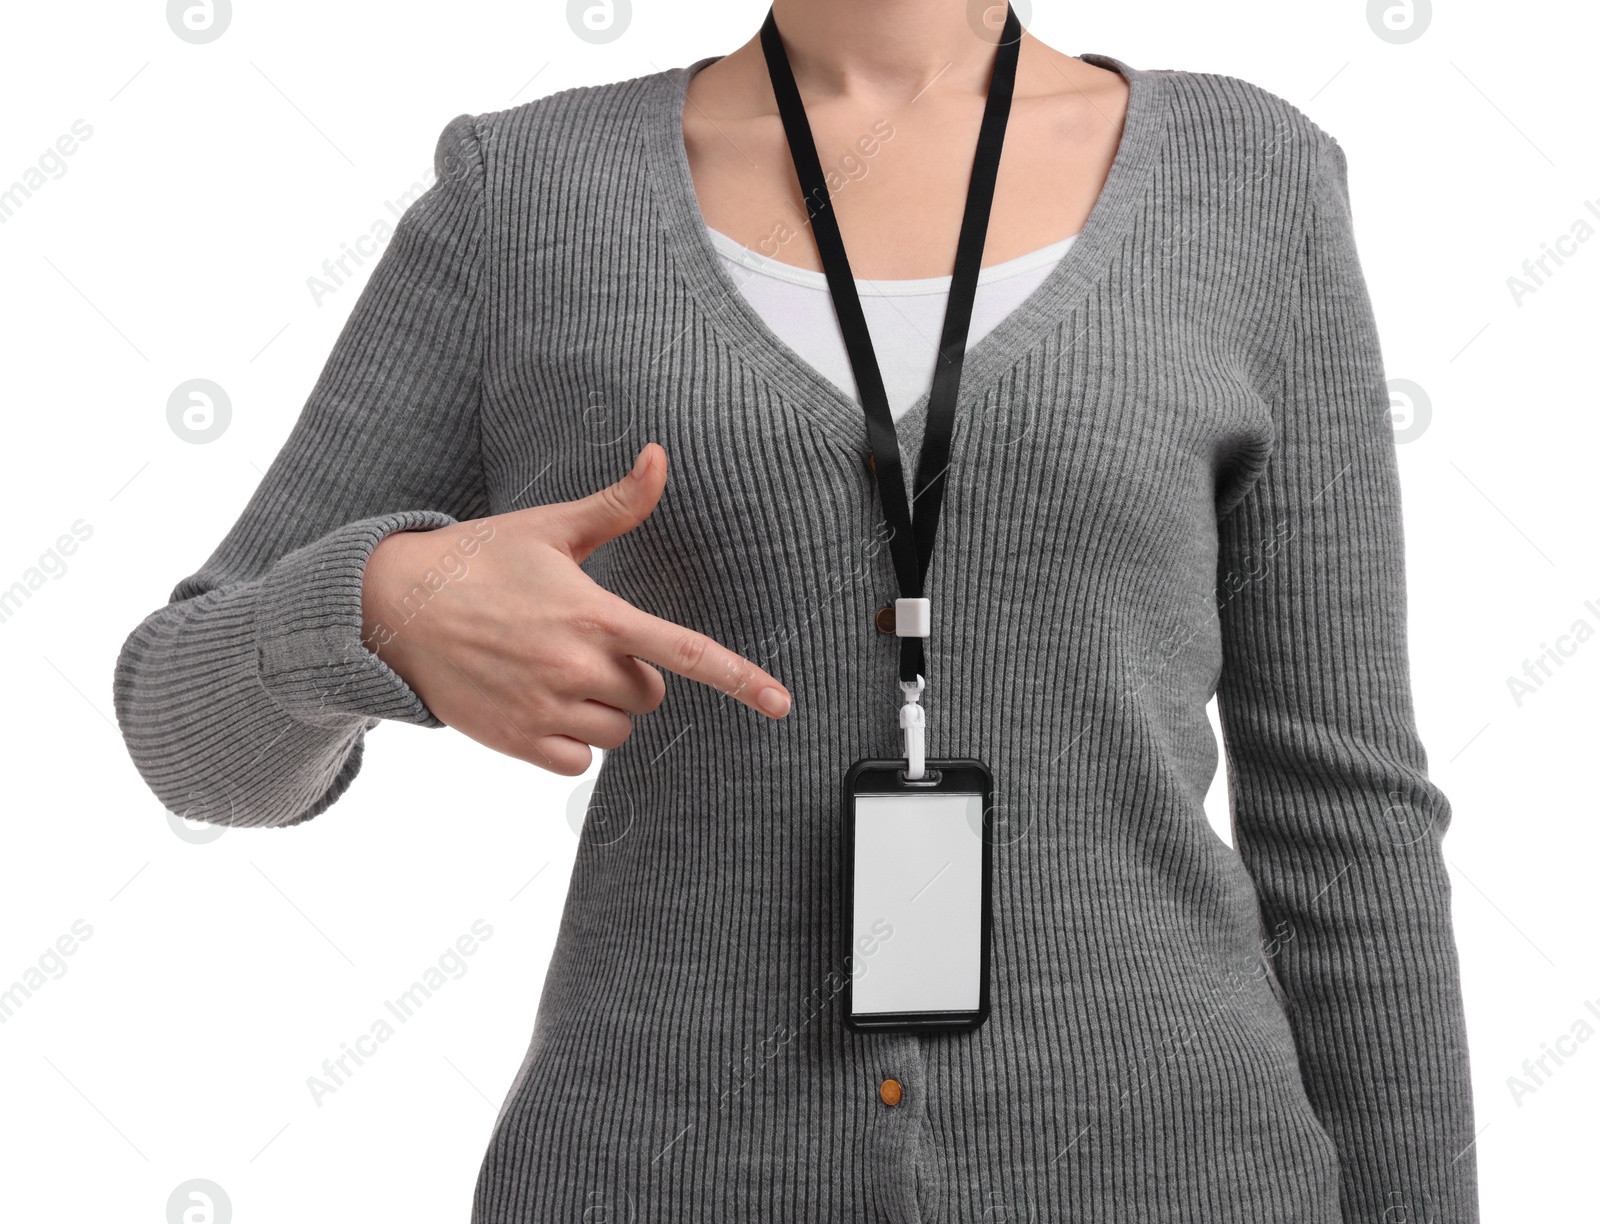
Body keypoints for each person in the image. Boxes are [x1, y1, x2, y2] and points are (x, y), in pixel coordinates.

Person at [112, 2, 1480, 1220]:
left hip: (1184, 1172)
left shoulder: (1249, 181)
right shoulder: (524, 198)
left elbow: (1344, 809)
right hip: (663, 1170)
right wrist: (378, 604)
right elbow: (187, 729)